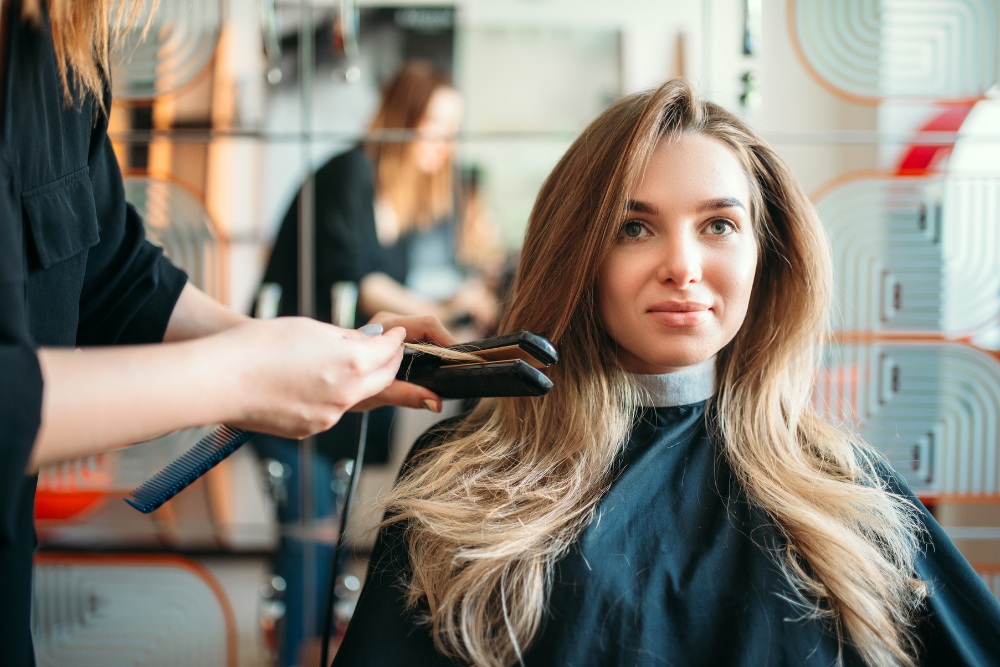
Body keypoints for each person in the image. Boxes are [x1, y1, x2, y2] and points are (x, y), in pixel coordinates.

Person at [332, 80, 1000, 666]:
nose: (682, 265)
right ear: (578, 255)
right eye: (633, 228)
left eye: (718, 224)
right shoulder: (463, 486)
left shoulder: (848, 494)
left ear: (768, 258)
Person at [0, 2, 452, 665]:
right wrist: (249, 372)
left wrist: (287, 348)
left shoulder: (57, 50)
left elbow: (115, 273)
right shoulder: (353, 174)